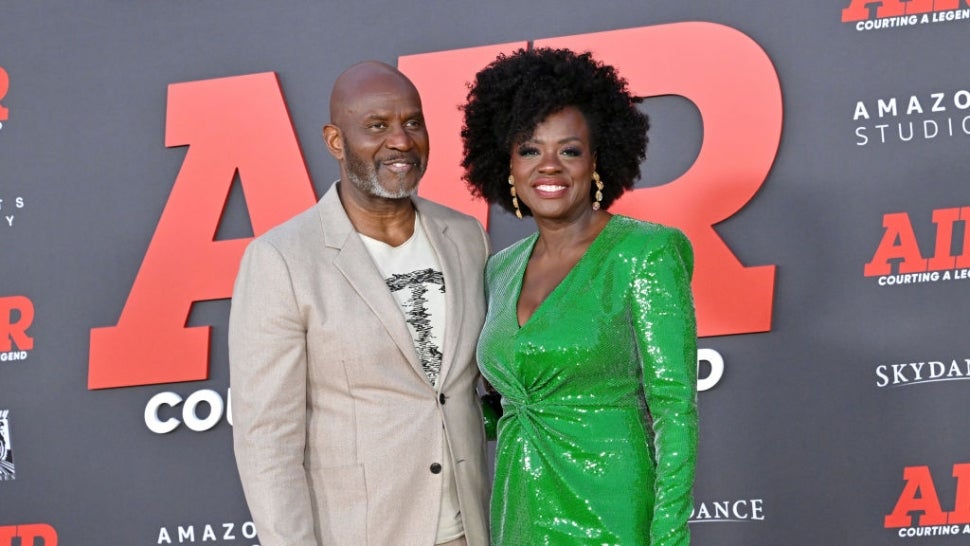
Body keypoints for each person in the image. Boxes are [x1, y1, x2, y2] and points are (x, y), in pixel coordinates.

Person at [229, 61, 490, 546]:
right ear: (335, 141)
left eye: (412, 123)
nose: (401, 141)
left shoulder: (466, 236)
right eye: (377, 126)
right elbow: (267, 439)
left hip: (468, 530)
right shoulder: (281, 259)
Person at [461, 48, 698, 545]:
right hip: (519, 510)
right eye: (530, 150)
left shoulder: (644, 252)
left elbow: (675, 411)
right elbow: (507, 406)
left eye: (568, 151)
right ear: (507, 165)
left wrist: (669, 537)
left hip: (611, 508)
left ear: (596, 161)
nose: (549, 167)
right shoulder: (500, 269)